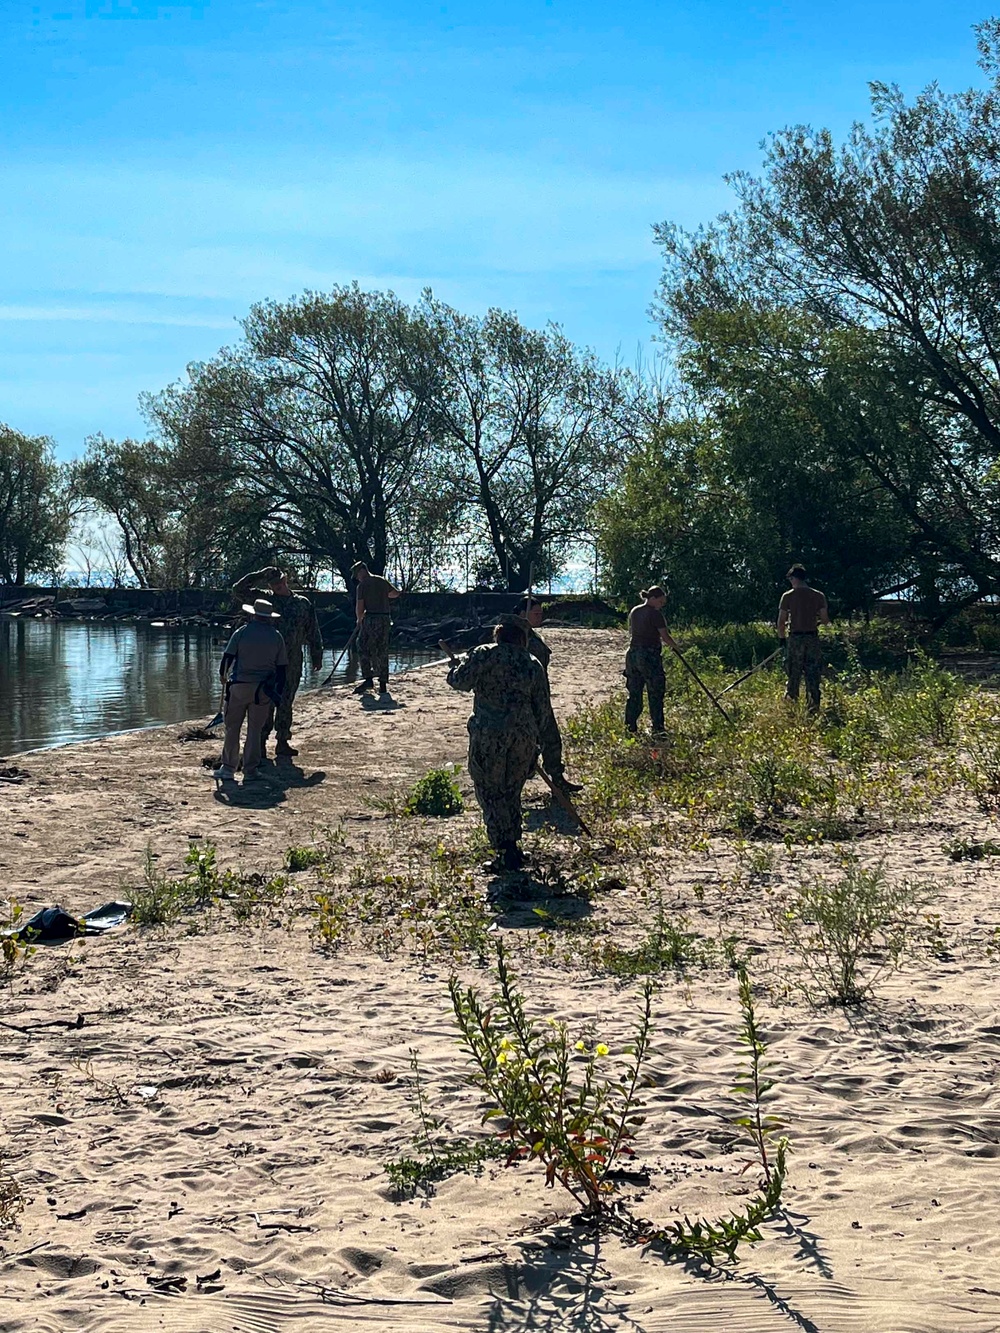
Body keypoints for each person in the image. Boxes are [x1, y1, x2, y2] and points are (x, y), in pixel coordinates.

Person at [448, 620, 562, 872]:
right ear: (522, 639)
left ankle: (504, 848)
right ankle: (511, 844)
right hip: (523, 735)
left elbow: (460, 682)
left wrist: (454, 669)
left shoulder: (484, 654)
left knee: (489, 790)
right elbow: (542, 709)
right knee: (511, 790)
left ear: (498, 638)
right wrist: (537, 744)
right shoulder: (532, 663)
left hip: (490, 734)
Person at [231, 566, 324, 757]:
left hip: (292, 661)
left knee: (286, 701)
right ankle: (261, 742)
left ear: (286, 579)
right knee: (265, 701)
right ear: (269, 585)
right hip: (267, 662)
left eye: (281, 581)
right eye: (274, 583)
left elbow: (313, 630)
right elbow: (237, 590)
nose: (278, 585)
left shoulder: (302, 604)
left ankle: (283, 741)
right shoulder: (265, 601)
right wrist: (258, 573)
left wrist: (317, 655)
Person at [214, 598, 288, 784]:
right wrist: (277, 693)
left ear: (253, 614)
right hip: (263, 690)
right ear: (269, 617)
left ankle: (228, 768)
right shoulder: (276, 636)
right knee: (254, 730)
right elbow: (282, 669)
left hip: (239, 686)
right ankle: (250, 769)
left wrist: (223, 676)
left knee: (233, 728)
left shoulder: (242, 632)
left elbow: (227, 658)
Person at [515, 596, 582, 793]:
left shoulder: (533, 636)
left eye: (540, 613)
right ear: (522, 614)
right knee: (525, 744)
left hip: (541, 697)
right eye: (535, 613)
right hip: (524, 700)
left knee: (551, 739)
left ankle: (557, 779)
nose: (539, 617)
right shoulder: (515, 637)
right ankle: (518, 783)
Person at [624, 585, 680, 736]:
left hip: (632, 655)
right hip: (649, 655)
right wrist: (677, 647)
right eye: (661, 602)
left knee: (634, 692)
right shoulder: (655, 615)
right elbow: (665, 636)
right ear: (653, 599)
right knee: (655, 691)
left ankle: (630, 727)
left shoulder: (635, 611)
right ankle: (658, 728)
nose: (661, 605)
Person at [777, 565, 830, 714]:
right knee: (812, 672)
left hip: (795, 638)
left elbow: (781, 621)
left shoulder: (788, 596)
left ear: (793, 578)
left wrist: (782, 639)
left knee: (794, 672)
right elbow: (825, 620)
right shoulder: (819, 595)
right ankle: (813, 706)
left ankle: (792, 706)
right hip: (812, 637)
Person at [351, 561, 401, 696]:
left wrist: (359, 619)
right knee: (382, 649)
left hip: (371, 619)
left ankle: (368, 679)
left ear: (362, 571)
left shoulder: (362, 585)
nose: (357, 578)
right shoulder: (381, 581)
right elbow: (395, 593)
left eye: (357, 575)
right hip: (385, 619)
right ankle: (383, 683)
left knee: (362, 646)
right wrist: (382, 595)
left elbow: (360, 606)